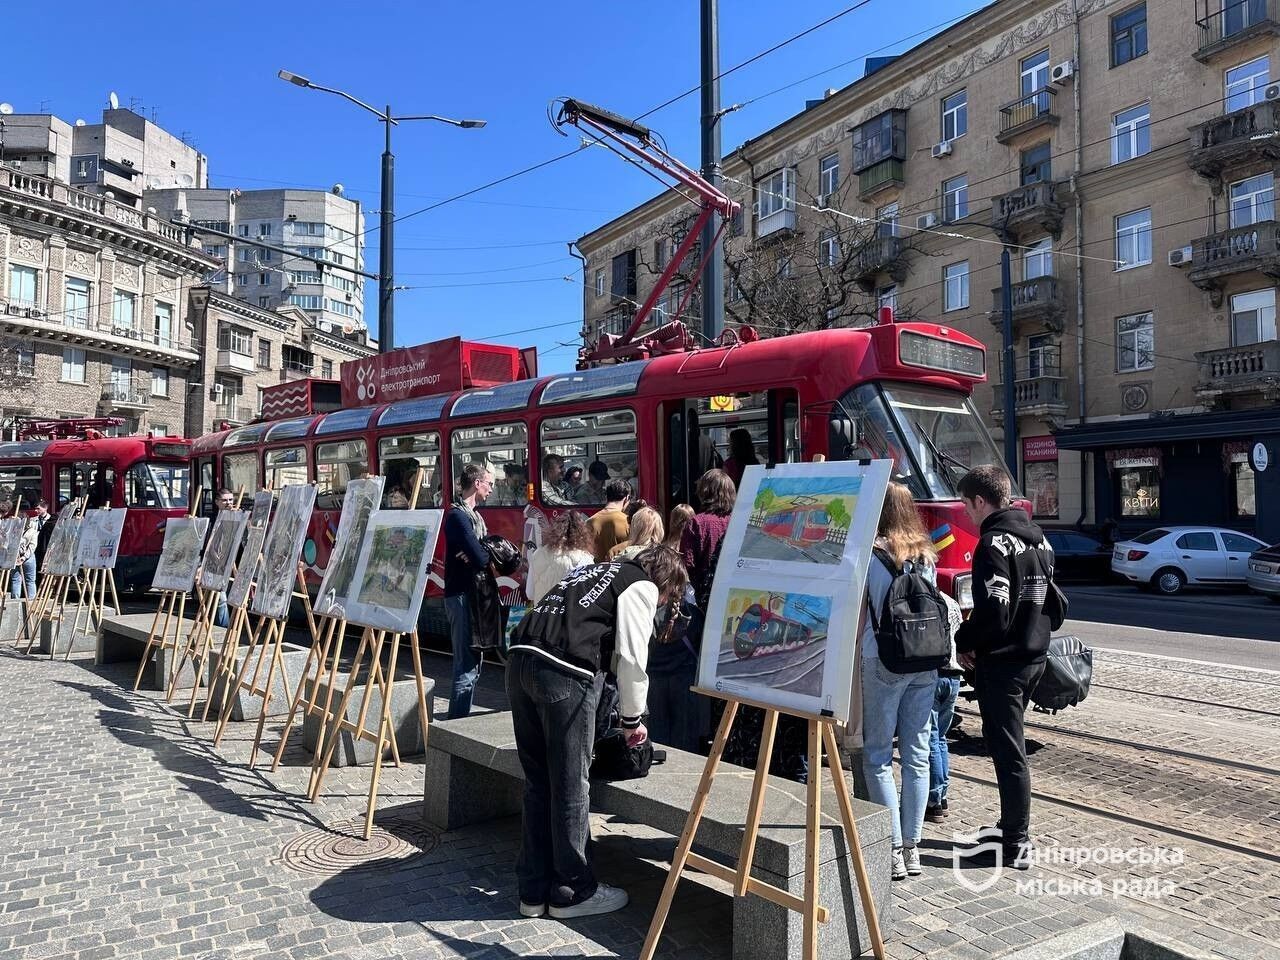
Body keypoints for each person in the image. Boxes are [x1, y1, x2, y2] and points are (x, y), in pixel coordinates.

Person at [506, 545, 688, 919]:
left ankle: (533, 891)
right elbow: (633, 659)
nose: (663, 604)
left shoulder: (595, 570)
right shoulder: (640, 585)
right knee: (572, 785)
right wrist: (632, 721)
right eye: (668, 597)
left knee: (538, 782)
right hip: (564, 672)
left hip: (520, 659)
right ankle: (573, 891)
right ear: (665, 583)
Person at [954, 464, 1054, 869]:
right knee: (1010, 747)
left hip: (1005, 663)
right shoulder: (1040, 540)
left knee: (1008, 752)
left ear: (981, 500)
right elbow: (1052, 603)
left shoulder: (993, 543)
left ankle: (1015, 842)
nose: (966, 513)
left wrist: (965, 640)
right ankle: (1010, 828)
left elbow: (994, 610)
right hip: (1034, 656)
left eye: (966, 505)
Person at [860, 482, 939, 881]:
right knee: (917, 754)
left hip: (882, 659)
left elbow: (861, 615)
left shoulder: (871, 554)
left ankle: (891, 848)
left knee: (876, 756)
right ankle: (913, 849)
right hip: (925, 661)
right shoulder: (927, 556)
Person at [444, 462, 494, 719]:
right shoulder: (457, 516)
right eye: (489, 484)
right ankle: (456, 728)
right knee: (466, 666)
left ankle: (458, 724)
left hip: (472, 596)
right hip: (462, 595)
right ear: (477, 483)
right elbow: (483, 558)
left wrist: (479, 551)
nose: (491, 489)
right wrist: (479, 552)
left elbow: (481, 552)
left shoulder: (474, 518)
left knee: (473, 664)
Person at [679, 469, 736, 610]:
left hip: (704, 595)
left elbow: (688, 564)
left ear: (704, 491)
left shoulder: (697, 523)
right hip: (733, 591)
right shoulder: (737, 521)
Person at [526, 510, 596, 606]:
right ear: (582, 534)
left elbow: (529, 594)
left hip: (541, 617)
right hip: (567, 617)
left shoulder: (537, 554)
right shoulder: (584, 559)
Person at [588, 480, 631, 562]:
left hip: (596, 572)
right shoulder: (628, 522)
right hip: (621, 572)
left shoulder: (589, 522)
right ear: (627, 498)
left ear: (607, 497)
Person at [11, 512, 38, 600]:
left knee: (16, 580)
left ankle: (15, 600)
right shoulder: (32, 532)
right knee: (30, 580)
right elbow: (32, 546)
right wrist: (24, 557)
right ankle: (31, 601)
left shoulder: (13, 531)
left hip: (16, 556)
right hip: (27, 557)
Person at [32, 499, 53, 583]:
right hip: (35, 547)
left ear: (45, 508)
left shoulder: (51, 520)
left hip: (45, 547)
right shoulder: (33, 520)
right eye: (35, 509)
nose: (36, 511)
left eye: (38, 509)